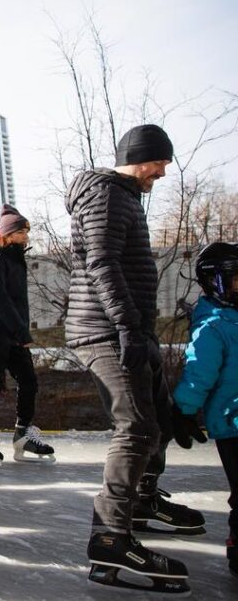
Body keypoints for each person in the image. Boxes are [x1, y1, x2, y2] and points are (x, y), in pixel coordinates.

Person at [65, 124, 200, 593]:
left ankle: (140, 504)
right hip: (102, 330)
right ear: (140, 156)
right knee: (136, 427)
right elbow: (102, 262)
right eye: (159, 163)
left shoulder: (124, 196)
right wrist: (126, 326)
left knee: (157, 418)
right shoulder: (105, 194)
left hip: (125, 329)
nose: (163, 172)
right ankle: (110, 538)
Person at [0, 205, 55, 467]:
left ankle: (23, 433)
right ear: (7, 234)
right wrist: (21, 330)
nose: (26, 236)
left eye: (27, 231)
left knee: (28, 379)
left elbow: (16, 302)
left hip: (11, 327)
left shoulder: (15, 256)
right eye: (22, 232)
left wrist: (19, 328)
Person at [171, 242, 238, 579]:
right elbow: (199, 373)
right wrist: (183, 411)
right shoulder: (212, 326)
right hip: (232, 425)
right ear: (217, 282)